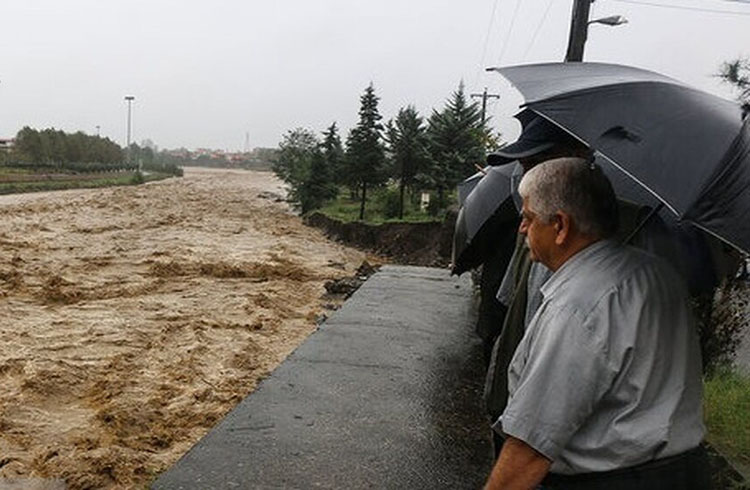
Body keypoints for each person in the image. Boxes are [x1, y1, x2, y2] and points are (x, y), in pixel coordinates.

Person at [484, 158, 708, 490]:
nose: (521, 228)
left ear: (560, 226)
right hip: (684, 470)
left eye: (528, 218)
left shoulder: (579, 304)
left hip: (614, 480)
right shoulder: (657, 272)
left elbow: (532, 445)